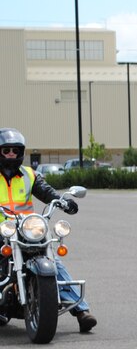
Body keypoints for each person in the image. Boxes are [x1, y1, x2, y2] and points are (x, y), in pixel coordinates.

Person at [0, 128, 97, 332]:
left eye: (15, 150)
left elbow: (47, 192)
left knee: (54, 261)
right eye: (6, 150)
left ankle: (81, 311)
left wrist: (63, 201)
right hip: (3, 230)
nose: (11, 154)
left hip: (27, 228)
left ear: (21, 152)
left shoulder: (29, 175)